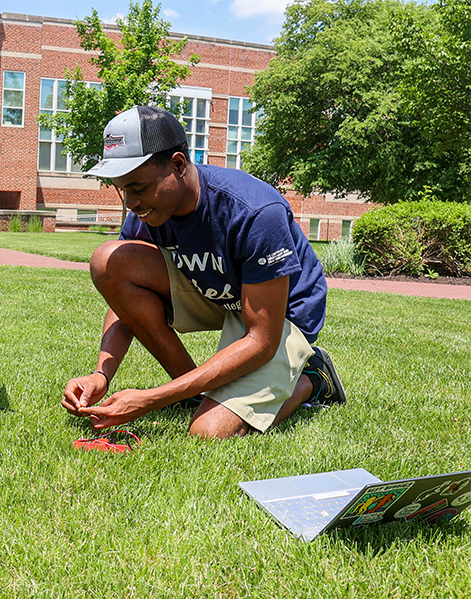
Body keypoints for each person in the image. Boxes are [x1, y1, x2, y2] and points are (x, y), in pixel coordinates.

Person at [62, 105, 346, 439]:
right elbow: (123, 304)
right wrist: (102, 373)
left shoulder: (255, 212)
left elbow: (261, 341)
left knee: (208, 432)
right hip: (217, 292)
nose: (131, 202)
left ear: (178, 164)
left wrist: (153, 399)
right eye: (123, 189)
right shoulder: (149, 211)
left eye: (138, 187)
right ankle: (194, 393)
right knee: (109, 259)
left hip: (277, 315)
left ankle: (313, 379)